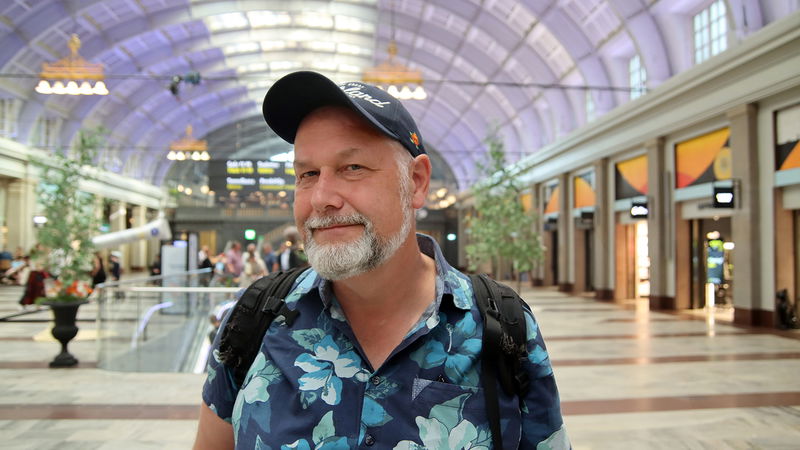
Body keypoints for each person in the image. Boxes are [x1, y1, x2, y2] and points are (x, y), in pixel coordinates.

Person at [194, 71, 569, 449]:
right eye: (307, 173)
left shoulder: (500, 326)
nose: (321, 197)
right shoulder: (254, 320)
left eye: (352, 168)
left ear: (417, 182)